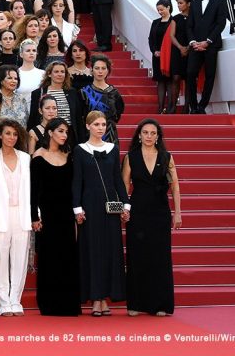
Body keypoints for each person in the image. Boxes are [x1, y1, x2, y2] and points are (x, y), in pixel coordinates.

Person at [72, 111, 130, 316]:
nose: (100, 128)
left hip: (110, 208)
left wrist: (126, 205)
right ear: (88, 126)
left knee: (110, 252)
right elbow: (77, 182)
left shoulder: (113, 149)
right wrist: (77, 209)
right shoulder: (79, 150)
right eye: (96, 124)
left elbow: (117, 179)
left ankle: (106, 297)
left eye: (103, 124)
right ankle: (96, 298)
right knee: (93, 252)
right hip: (89, 208)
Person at [122, 119, 182, 316]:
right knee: (137, 256)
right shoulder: (131, 157)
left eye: (152, 133)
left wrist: (178, 212)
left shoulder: (167, 157)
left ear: (158, 136)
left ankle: (160, 304)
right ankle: (135, 304)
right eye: (145, 132)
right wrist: (124, 210)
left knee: (159, 258)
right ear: (139, 135)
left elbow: (175, 186)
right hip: (137, 213)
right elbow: (124, 187)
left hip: (160, 213)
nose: (149, 136)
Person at [30, 118, 80, 316]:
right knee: (49, 259)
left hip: (67, 214)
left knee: (68, 257)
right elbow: (33, 192)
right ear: (50, 132)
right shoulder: (38, 157)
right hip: (47, 215)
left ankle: (68, 303)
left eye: (66, 132)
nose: (64, 135)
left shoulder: (69, 155)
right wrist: (34, 217)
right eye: (60, 131)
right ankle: (49, 303)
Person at [0, 119, 32, 316]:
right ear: (0, 136)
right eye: (7, 133)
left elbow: (31, 189)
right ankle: (3, 302)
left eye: (14, 134)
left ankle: (15, 301)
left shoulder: (25, 158)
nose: (11, 137)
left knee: (20, 258)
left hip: (21, 213)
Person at [186, 0, 227, 114]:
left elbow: (221, 24)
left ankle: (202, 106)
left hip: (211, 45)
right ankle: (193, 106)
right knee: (190, 74)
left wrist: (208, 41)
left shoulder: (221, 1)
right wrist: (193, 42)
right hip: (195, 46)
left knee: (210, 75)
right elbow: (189, 25)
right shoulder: (195, 3)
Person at [28, 61, 85, 144]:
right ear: (49, 74)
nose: (60, 74)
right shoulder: (38, 93)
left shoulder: (72, 93)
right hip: (46, 136)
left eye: (62, 72)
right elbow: (33, 118)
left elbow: (78, 119)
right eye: (56, 71)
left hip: (68, 137)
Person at [80, 55, 124, 145]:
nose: (100, 71)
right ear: (92, 70)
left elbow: (118, 113)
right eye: (97, 68)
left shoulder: (114, 92)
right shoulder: (83, 92)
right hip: (89, 135)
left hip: (110, 134)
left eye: (103, 68)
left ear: (108, 71)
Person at [150, 0, 174, 113]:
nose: (160, 12)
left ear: (168, 7)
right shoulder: (155, 22)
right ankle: (160, 107)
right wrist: (154, 51)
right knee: (160, 81)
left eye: (162, 9)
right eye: (158, 10)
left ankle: (170, 107)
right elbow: (151, 39)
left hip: (170, 56)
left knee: (169, 81)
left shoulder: (174, 21)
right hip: (157, 56)